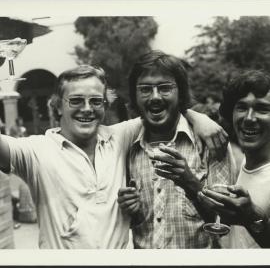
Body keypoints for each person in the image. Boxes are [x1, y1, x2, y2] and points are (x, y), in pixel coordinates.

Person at [0, 64, 226, 249]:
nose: (87, 109)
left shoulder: (118, 137)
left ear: (104, 105)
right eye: (76, 100)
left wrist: (197, 117)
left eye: (96, 101)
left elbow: (159, 106)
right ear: (57, 106)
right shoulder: (34, 151)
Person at [117, 50, 236, 249]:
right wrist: (131, 210)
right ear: (135, 95)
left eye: (165, 88)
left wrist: (190, 183)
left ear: (180, 92)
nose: (155, 97)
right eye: (145, 89)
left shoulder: (211, 142)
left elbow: (224, 219)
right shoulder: (127, 145)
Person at [198, 70, 270, 248]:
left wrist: (251, 216)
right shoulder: (243, 163)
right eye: (242, 107)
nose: (249, 118)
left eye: (262, 109)